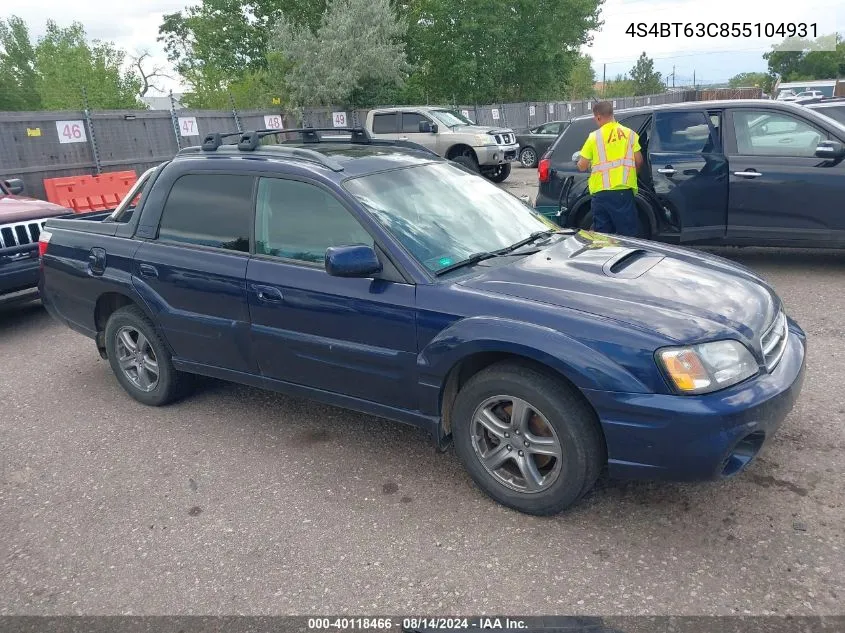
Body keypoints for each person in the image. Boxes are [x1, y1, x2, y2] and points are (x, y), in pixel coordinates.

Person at [575, 101, 644, 237]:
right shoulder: (630, 134)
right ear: (612, 114)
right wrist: (632, 175)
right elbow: (639, 161)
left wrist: (586, 164)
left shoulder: (594, 137)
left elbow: (582, 166)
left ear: (599, 117)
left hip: (601, 193)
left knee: (602, 235)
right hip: (624, 192)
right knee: (628, 234)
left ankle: (606, 257)